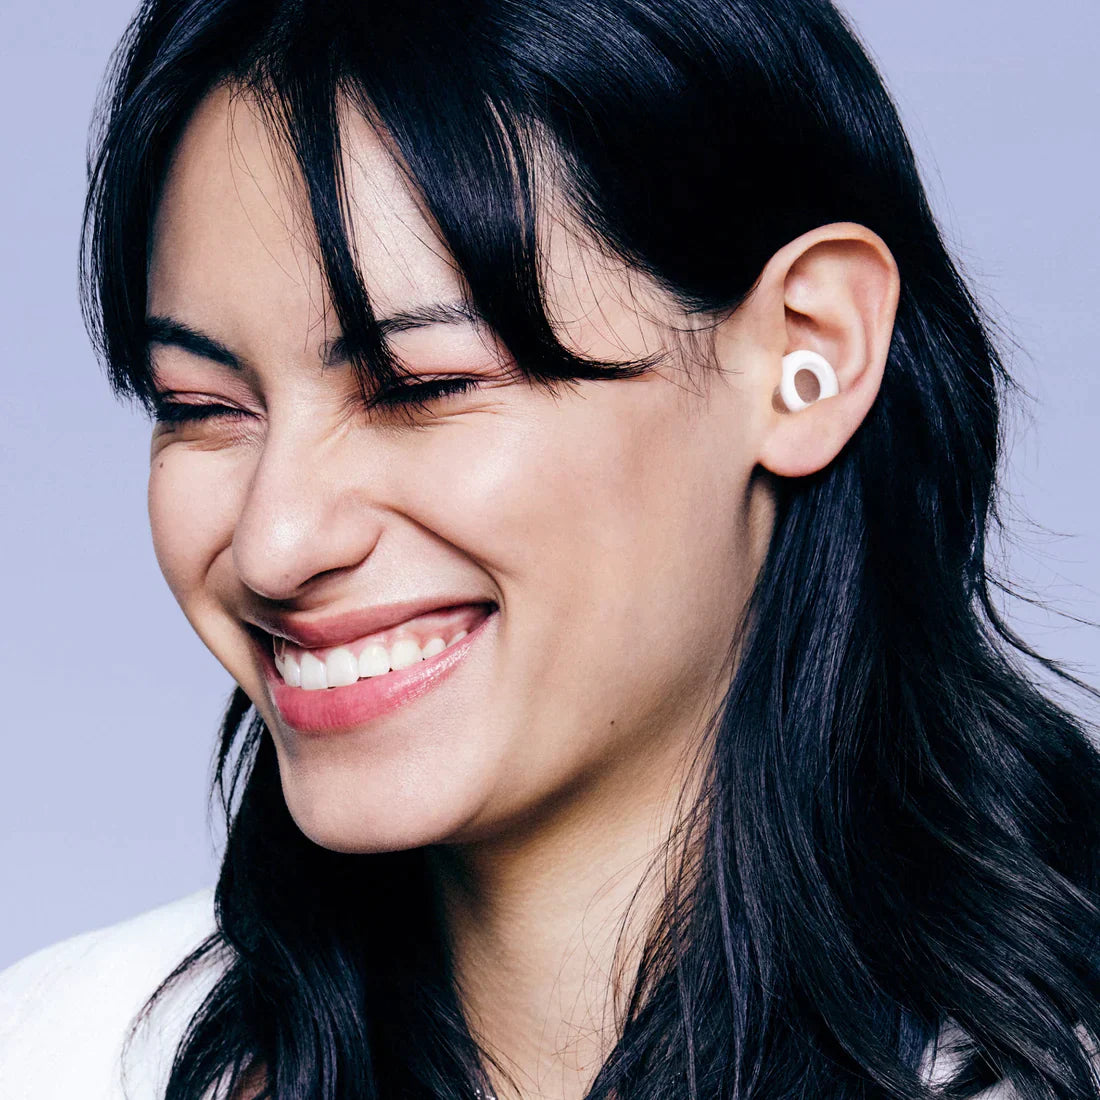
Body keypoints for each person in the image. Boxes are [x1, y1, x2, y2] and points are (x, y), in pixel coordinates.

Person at [2, 0, 1099, 1097]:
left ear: (804, 355)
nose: (273, 542)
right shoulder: (61, 1053)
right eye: (199, 406)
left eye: (421, 385)